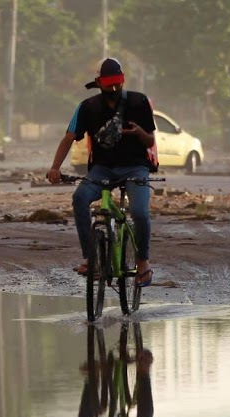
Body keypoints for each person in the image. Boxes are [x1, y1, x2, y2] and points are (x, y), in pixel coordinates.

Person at [46, 57, 158, 287]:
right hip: (102, 168)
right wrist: (55, 167)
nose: (114, 88)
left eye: (118, 83)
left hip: (135, 167)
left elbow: (150, 142)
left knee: (139, 212)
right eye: (109, 84)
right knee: (79, 198)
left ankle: (143, 261)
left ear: (123, 80)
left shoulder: (139, 102)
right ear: (98, 82)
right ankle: (91, 258)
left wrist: (139, 133)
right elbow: (69, 138)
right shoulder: (88, 108)